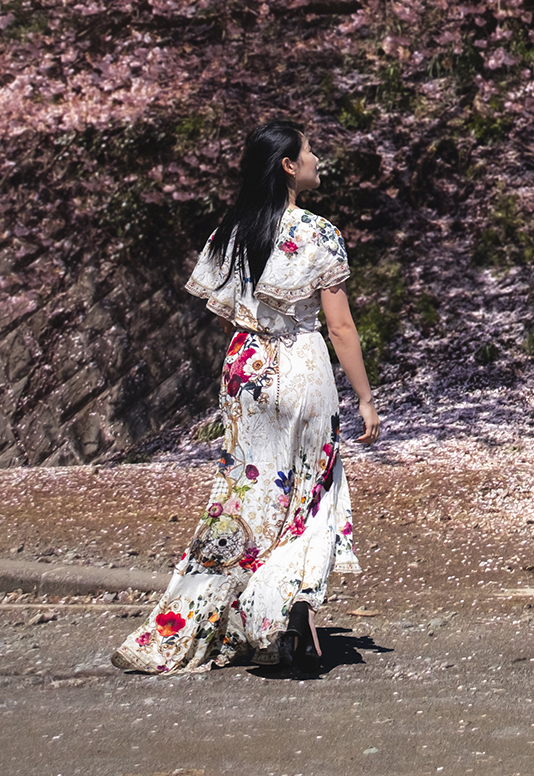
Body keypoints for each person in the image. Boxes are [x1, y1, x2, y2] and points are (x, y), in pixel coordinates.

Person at [112, 120, 379, 673]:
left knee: (245, 495)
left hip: (246, 369)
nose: (316, 160)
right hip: (302, 365)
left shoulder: (231, 230)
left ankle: (194, 619)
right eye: (308, 152)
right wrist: (366, 398)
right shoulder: (317, 233)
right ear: (288, 165)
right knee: (307, 494)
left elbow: (226, 308)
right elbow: (342, 327)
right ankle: (284, 610)